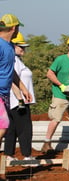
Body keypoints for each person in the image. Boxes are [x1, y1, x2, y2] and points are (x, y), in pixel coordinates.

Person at [4, 32, 39, 167]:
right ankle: (27, 156)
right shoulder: (13, 60)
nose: (23, 49)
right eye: (21, 47)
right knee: (25, 129)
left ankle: (8, 155)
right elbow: (11, 80)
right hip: (18, 101)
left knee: (11, 128)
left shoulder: (15, 60)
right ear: (13, 46)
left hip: (13, 101)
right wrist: (20, 98)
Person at [0, 14, 32, 152]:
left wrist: (23, 88)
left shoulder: (9, 47)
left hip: (4, 93)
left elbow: (10, 70)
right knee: (3, 126)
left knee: (3, 128)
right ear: (14, 28)